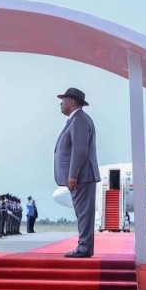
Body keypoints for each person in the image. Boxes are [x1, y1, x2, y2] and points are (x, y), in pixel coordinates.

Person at [54, 88, 100, 258]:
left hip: (82, 176)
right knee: (82, 213)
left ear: (72, 102)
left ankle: (84, 247)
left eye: (63, 100)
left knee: (83, 214)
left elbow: (80, 150)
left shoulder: (79, 120)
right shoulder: (75, 120)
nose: (61, 103)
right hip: (81, 175)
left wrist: (73, 175)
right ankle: (84, 246)